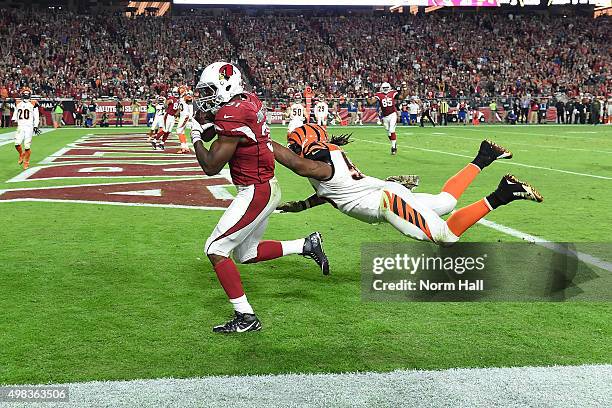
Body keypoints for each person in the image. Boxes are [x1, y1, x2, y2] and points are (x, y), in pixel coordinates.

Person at [191, 62, 328, 333]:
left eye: (209, 90)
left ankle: (246, 316)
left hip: (255, 190)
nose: (205, 97)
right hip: (265, 186)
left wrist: (195, 136)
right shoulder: (248, 101)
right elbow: (230, 132)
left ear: (225, 85)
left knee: (215, 249)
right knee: (248, 253)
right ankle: (306, 245)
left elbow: (211, 166)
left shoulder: (232, 113)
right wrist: (209, 125)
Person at [274, 127, 542, 248]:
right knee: (447, 202)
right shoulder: (327, 159)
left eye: (297, 149)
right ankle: (484, 156)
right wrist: (304, 205)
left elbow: (299, 166)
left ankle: (504, 192)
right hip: (385, 193)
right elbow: (331, 192)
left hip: (387, 201)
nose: (296, 153)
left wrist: (260, 138)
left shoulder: (318, 165)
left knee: (445, 236)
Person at [368, 83, 408, 155]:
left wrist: (405, 89)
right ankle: (394, 143)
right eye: (384, 87)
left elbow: (402, 97)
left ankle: (393, 148)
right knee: (388, 131)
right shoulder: (379, 94)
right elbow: (371, 102)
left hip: (393, 114)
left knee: (392, 130)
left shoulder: (392, 93)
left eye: (387, 87)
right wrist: (367, 95)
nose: (386, 89)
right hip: (385, 116)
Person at [12, 88, 40, 170]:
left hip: (29, 126)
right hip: (20, 125)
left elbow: (36, 115)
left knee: (27, 146)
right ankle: (21, 154)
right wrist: (14, 119)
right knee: (17, 143)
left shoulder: (33, 103)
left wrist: (35, 125)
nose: (26, 96)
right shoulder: (18, 103)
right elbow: (16, 113)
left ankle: (26, 162)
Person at [175, 87, 194, 153]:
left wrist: (189, 97)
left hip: (185, 115)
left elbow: (190, 98)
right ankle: (186, 147)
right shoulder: (181, 97)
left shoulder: (185, 95)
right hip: (183, 115)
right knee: (181, 131)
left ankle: (183, 147)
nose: (180, 90)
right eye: (179, 89)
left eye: (181, 89)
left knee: (178, 130)